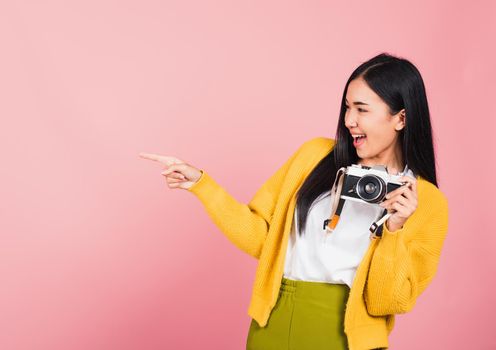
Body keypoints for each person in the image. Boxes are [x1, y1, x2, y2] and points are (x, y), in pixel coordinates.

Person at [139, 52, 449, 350]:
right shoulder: (314, 157)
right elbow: (262, 238)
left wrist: (393, 230)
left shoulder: (425, 202)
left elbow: (388, 301)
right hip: (272, 324)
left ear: (401, 118)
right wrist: (202, 185)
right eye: (346, 107)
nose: (349, 120)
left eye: (362, 109)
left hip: (346, 337)